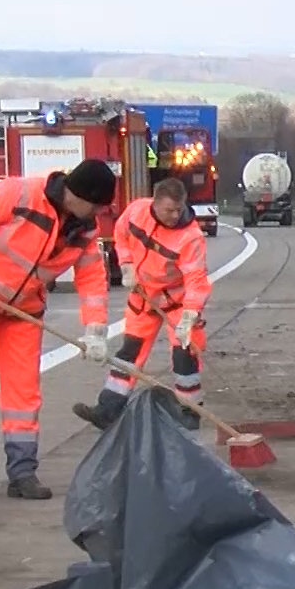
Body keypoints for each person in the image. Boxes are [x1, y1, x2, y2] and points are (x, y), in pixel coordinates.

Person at [0, 160, 118, 505]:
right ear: (78, 195)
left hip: (24, 312)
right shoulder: (20, 193)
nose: (99, 212)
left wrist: (96, 330)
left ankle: (22, 474)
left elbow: (92, 279)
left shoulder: (84, 231)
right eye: (97, 204)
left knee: (23, 397)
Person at [74, 176, 210, 431]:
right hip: (143, 295)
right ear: (155, 204)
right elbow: (121, 234)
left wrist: (190, 316)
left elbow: (196, 280)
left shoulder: (190, 237)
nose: (174, 215)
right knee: (129, 354)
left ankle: (190, 413)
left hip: (177, 302)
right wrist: (125, 264)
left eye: (179, 209)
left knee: (184, 358)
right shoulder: (137, 212)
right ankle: (108, 410)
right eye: (169, 210)